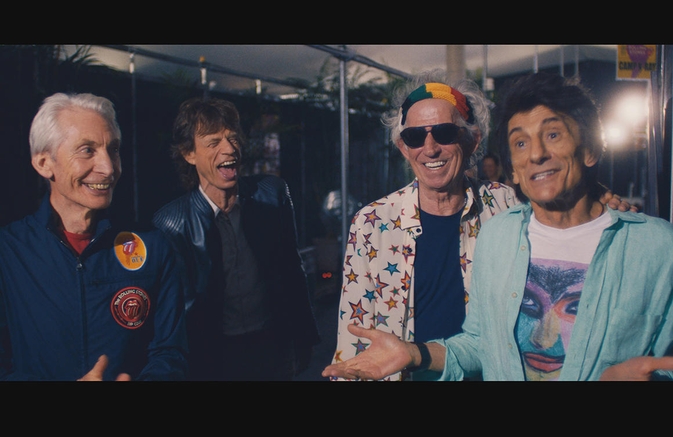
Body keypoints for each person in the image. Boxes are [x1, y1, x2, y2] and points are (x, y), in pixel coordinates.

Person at [322, 72, 673, 381]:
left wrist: (598, 194)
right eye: (414, 137)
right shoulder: (372, 223)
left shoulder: (504, 206)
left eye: (444, 132)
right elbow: (355, 339)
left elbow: (565, 202)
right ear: (403, 147)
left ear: (472, 141)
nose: (429, 148)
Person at [0, 92, 188, 381]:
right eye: (87, 150)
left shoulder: (153, 247)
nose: (109, 168)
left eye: (113, 149)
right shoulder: (9, 253)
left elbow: (170, 354)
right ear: (44, 163)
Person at [152, 97, 320, 381]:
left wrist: (304, 337)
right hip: (214, 356)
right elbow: (176, 310)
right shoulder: (172, 224)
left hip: (272, 344)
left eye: (232, 138)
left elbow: (292, 269)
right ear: (189, 154)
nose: (229, 149)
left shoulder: (272, 195)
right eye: (213, 142)